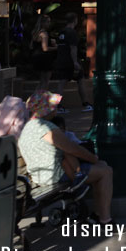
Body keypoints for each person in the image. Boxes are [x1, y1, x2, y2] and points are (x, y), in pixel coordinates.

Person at [18, 91, 114, 223]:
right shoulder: (45, 127)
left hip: (41, 174)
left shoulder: (29, 126)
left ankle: (99, 215)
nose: (56, 109)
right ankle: (104, 219)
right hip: (55, 175)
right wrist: (93, 158)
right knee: (105, 171)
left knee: (102, 166)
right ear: (46, 109)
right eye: (54, 106)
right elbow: (72, 148)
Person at [54, 13, 92, 113]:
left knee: (61, 83)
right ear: (75, 20)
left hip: (61, 60)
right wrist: (75, 62)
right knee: (80, 80)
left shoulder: (61, 32)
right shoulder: (72, 33)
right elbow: (73, 48)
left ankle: (58, 106)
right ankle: (86, 104)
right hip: (71, 61)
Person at [30, 14, 57, 92]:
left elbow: (31, 46)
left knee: (41, 81)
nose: (49, 24)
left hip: (37, 57)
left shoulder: (35, 33)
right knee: (46, 82)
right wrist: (56, 47)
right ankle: (41, 101)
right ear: (43, 23)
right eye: (48, 22)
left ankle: (35, 100)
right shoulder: (44, 33)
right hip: (45, 59)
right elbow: (45, 48)